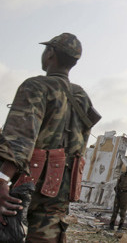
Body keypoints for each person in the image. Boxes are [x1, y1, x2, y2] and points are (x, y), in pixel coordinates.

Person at [0, 33, 101, 241]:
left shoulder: (36, 86)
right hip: (60, 189)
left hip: (28, 183)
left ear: (50, 53)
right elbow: (80, 145)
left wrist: (2, 180)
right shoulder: (82, 96)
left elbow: (20, 140)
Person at [110, 162, 127, 230]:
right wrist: (116, 189)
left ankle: (120, 226)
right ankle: (111, 225)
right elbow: (117, 183)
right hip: (119, 193)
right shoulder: (122, 175)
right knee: (115, 210)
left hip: (125, 194)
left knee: (123, 211)